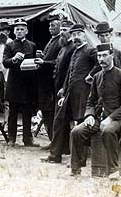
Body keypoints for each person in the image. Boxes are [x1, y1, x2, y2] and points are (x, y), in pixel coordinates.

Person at [69, 43, 121, 179]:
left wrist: (110, 118)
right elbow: (91, 101)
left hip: (119, 120)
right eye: (99, 56)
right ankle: (76, 168)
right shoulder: (97, 76)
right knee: (76, 131)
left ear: (112, 56)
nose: (101, 59)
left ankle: (113, 169)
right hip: (99, 119)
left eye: (104, 55)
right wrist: (89, 115)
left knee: (108, 130)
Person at [42, 23, 100, 163]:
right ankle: (54, 155)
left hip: (83, 94)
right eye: (73, 35)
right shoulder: (74, 51)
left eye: (78, 34)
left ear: (84, 35)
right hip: (69, 94)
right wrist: (64, 90)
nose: (76, 37)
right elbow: (70, 73)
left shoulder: (90, 50)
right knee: (59, 121)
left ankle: (80, 160)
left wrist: (90, 75)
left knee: (81, 124)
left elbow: (100, 63)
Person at [3, 18, 39, 147]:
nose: (19, 31)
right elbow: (5, 63)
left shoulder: (32, 45)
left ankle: (27, 139)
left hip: (27, 83)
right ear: (14, 31)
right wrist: (13, 59)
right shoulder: (9, 45)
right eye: (17, 29)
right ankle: (11, 138)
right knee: (13, 112)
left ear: (26, 31)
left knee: (27, 112)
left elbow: (36, 62)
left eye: (22, 29)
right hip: (14, 83)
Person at [34, 14, 63, 144]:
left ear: (60, 27)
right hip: (44, 83)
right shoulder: (52, 40)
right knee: (46, 112)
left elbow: (58, 62)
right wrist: (42, 56)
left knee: (50, 113)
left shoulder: (61, 41)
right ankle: (53, 142)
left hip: (52, 84)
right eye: (50, 25)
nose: (50, 28)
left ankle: (55, 143)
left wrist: (44, 62)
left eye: (54, 25)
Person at [0, 21, 13, 130]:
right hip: (0, 74)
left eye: (4, 31)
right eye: (0, 31)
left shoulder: (11, 44)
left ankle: (7, 122)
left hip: (9, 75)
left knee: (8, 100)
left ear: (8, 32)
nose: (2, 33)